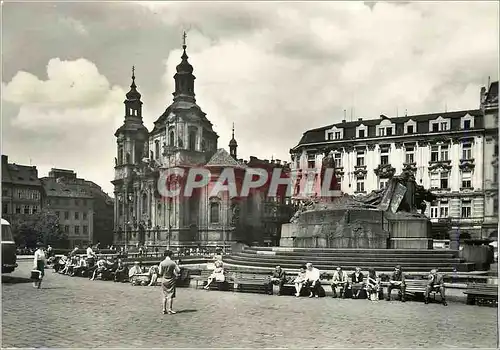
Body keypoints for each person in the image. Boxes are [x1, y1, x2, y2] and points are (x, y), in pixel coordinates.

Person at [159, 250, 181, 315]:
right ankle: (170, 309)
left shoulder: (162, 263)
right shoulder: (173, 263)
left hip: (164, 279)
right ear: (171, 255)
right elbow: (178, 271)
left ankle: (163, 309)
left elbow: (160, 272)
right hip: (171, 279)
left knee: (164, 295)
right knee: (170, 295)